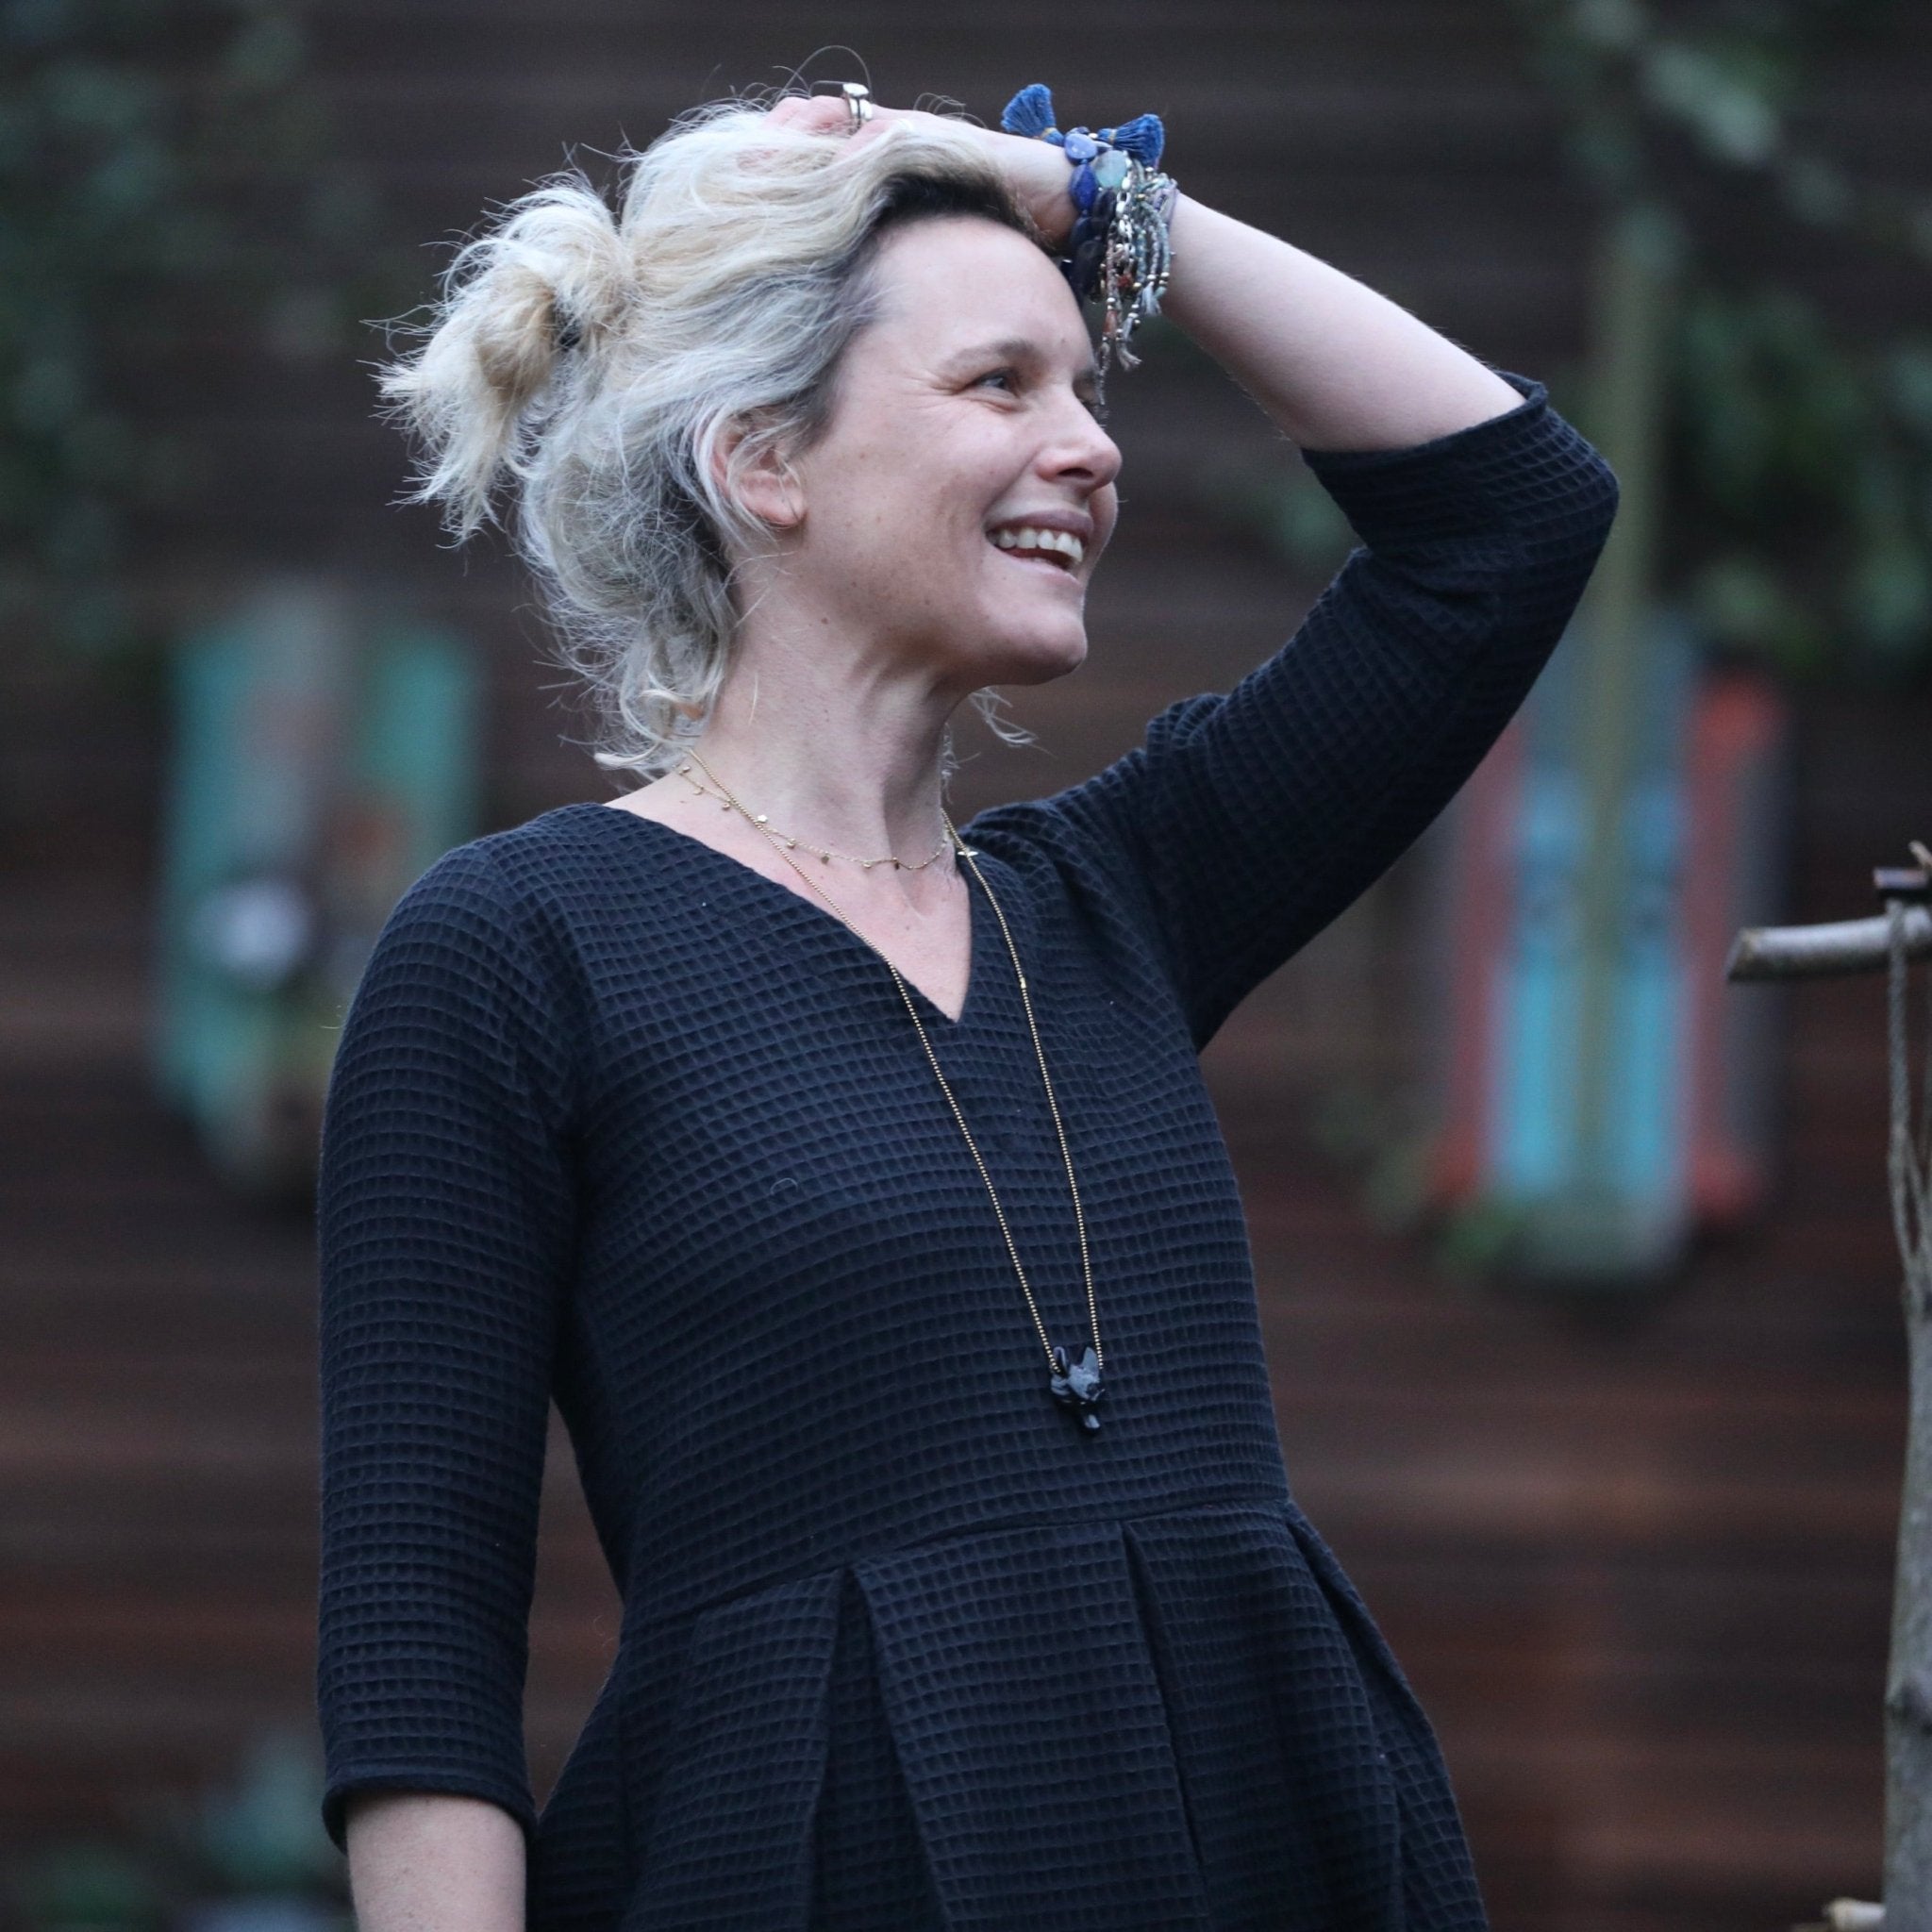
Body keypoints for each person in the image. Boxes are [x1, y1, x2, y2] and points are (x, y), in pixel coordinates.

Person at [317, 79, 1617, 1932]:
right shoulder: (519, 949)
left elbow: (1512, 516)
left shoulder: (1119, 899)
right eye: (1001, 385)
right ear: (764, 461)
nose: (1090, 448)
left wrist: (1084, 200)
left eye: (1088, 389)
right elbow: (418, 1627)